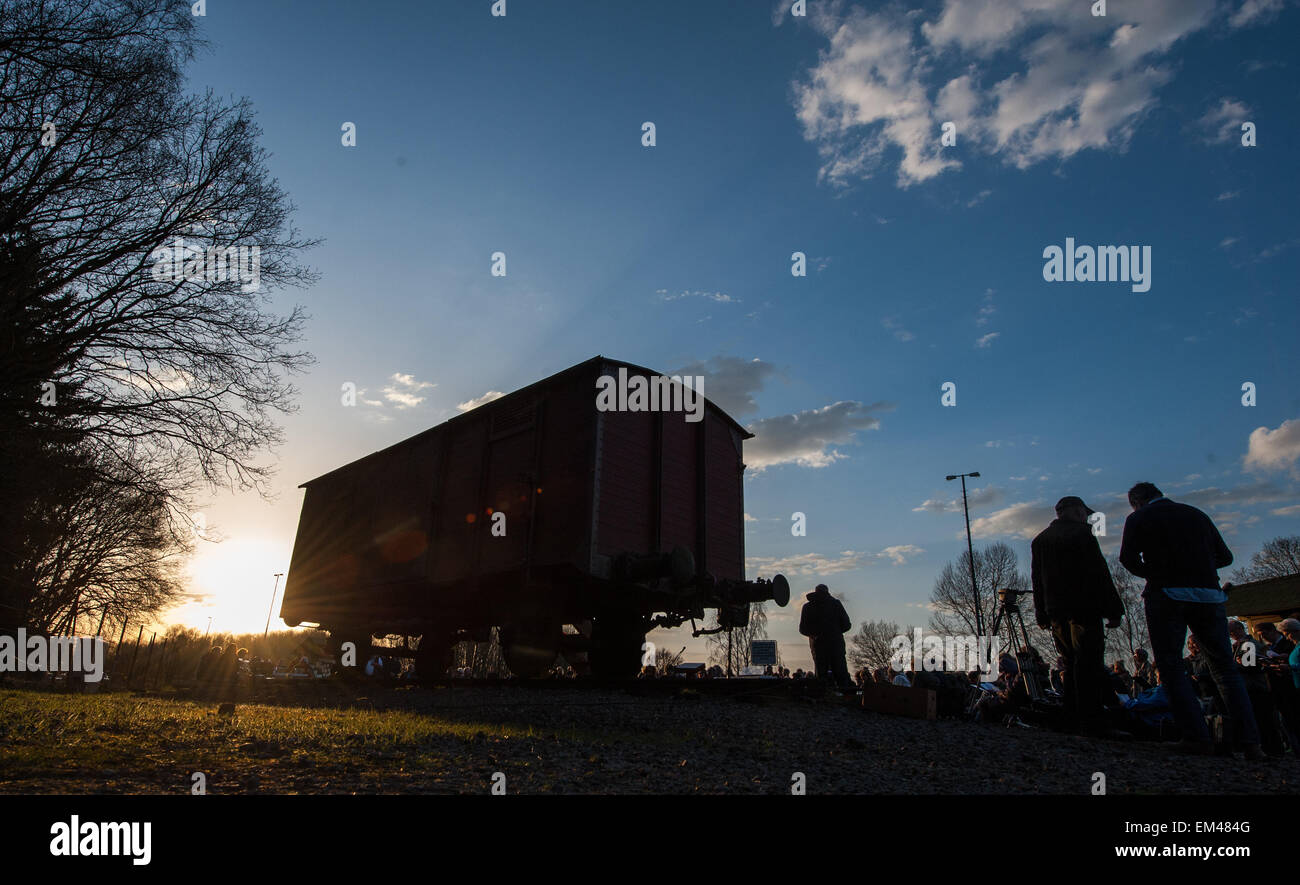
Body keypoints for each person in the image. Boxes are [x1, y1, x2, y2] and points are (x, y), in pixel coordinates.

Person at [1119, 482, 1261, 758]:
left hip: (1168, 594)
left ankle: (1196, 736)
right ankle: (1250, 743)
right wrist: (1200, 566)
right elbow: (1226, 556)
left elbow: (1127, 557)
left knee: (1171, 666)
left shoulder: (1139, 518)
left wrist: (1154, 573)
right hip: (1209, 595)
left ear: (1136, 501)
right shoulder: (1196, 514)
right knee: (1226, 669)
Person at [1031, 495, 1124, 735]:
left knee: (1070, 663)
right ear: (1075, 511)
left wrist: (1041, 612)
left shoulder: (1040, 540)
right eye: (1084, 512)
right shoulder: (1082, 534)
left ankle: (1071, 717)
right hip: (1084, 607)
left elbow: (1037, 580)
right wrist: (1114, 610)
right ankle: (1092, 720)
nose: (1086, 517)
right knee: (1089, 663)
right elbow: (1099, 573)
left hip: (1056, 611)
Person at [1228, 619, 1283, 755]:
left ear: (1240, 630)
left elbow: (1250, 667)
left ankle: (1273, 749)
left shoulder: (1248, 645)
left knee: (1264, 720)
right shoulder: (1240, 645)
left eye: (1232, 632)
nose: (1231, 635)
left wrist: (1234, 665)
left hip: (1256, 687)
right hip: (1253, 686)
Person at [798, 583, 853, 689]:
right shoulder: (836, 604)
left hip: (819, 645)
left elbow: (803, 629)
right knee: (841, 674)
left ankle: (823, 699)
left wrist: (814, 635)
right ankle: (845, 696)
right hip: (835, 645)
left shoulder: (808, 607)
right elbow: (847, 625)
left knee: (821, 676)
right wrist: (835, 632)